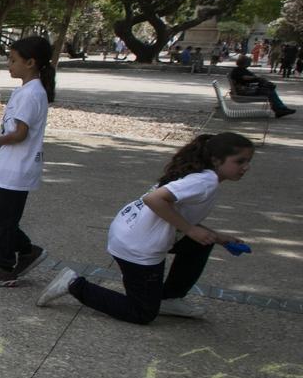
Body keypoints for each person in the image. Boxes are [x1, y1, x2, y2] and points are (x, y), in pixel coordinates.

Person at [39, 132, 254, 323]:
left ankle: (169, 299)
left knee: (201, 243)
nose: (246, 167)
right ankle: (74, 284)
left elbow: (178, 214)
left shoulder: (203, 176)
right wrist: (190, 230)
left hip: (131, 230)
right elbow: (154, 199)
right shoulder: (204, 181)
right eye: (240, 161)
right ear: (216, 160)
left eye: (248, 161)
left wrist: (217, 236)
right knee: (142, 313)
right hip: (137, 246)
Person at [0, 36, 54, 286]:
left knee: (4, 218)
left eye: (14, 60)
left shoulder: (32, 93)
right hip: (6, 164)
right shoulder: (24, 90)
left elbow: (20, 134)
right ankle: (27, 250)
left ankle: (5, 266)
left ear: (31, 62)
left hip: (19, 167)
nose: (9, 64)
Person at [227, 55, 295, 118]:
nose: (249, 64)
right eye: (249, 62)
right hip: (243, 91)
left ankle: (281, 109)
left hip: (246, 89)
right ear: (244, 62)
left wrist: (259, 79)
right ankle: (279, 109)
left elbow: (253, 77)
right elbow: (244, 77)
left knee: (270, 88)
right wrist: (256, 78)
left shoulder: (242, 69)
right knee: (269, 91)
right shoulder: (237, 70)